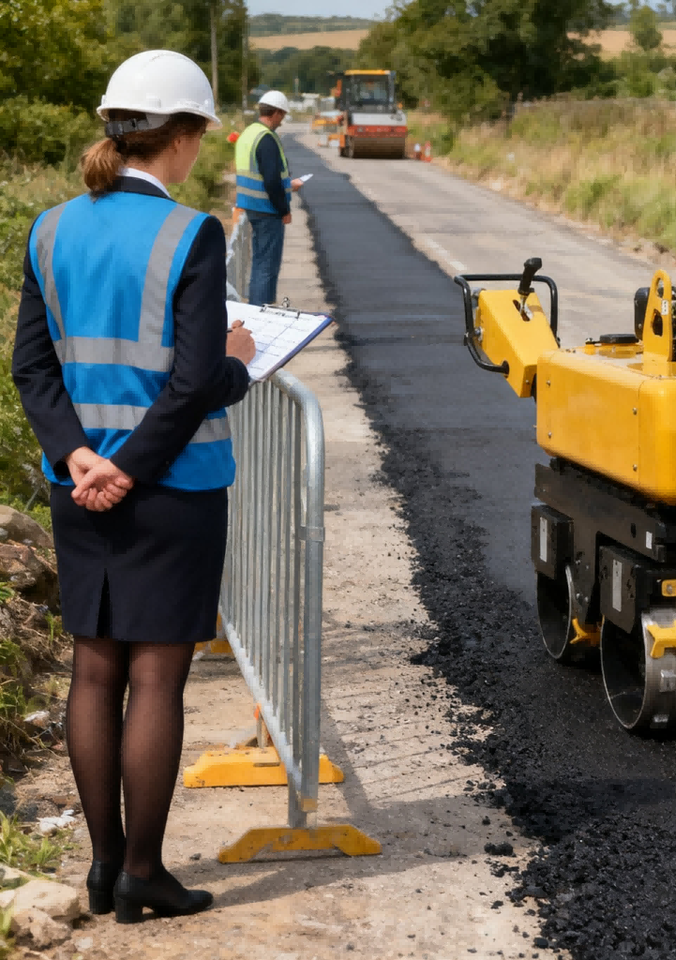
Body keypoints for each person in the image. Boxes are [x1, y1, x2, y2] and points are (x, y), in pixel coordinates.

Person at [12, 50, 255, 924]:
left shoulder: (48, 228)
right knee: (156, 676)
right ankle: (144, 874)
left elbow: (31, 368)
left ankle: (103, 867)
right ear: (183, 138)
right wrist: (238, 364)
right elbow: (194, 382)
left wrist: (80, 456)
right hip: (173, 489)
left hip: (78, 488)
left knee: (93, 667)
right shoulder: (192, 234)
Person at [234, 90, 304, 306]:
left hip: (251, 206)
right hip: (268, 210)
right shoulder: (266, 138)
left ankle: (256, 310)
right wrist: (284, 210)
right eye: (282, 115)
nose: (282, 121)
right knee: (267, 266)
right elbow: (271, 181)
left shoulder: (248, 133)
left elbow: (258, 174)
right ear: (275, 113)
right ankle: (261, 312)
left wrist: (287, 185)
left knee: (259, 263)